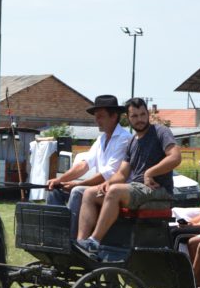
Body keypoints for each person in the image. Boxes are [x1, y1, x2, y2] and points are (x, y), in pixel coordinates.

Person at [76, 98, 182, 258]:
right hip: (136, 189)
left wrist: (149, 173)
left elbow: (175, 157)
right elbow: (122, 174)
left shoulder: (161, 132)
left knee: (115, 191)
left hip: (158, 190)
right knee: (90, 193)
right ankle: (81, 243)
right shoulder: (132, 141)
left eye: (142, 114)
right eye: (134, 116)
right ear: (128, 117)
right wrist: (107, 183)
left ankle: (94, 242)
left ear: (148, 114)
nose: (139, 119)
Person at [46, 95, 131, 239]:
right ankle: (56, 235)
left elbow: (109, 174)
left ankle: (70, 240)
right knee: (55, 191)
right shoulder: (101, 138)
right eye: (96, 116)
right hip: (98, 188)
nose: (96, 120)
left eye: (100, 116)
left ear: (114, 116)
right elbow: (84, 164)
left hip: (113, 191)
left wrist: (77, 184)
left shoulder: (125, 139)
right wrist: (60, 180)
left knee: (78, 191)